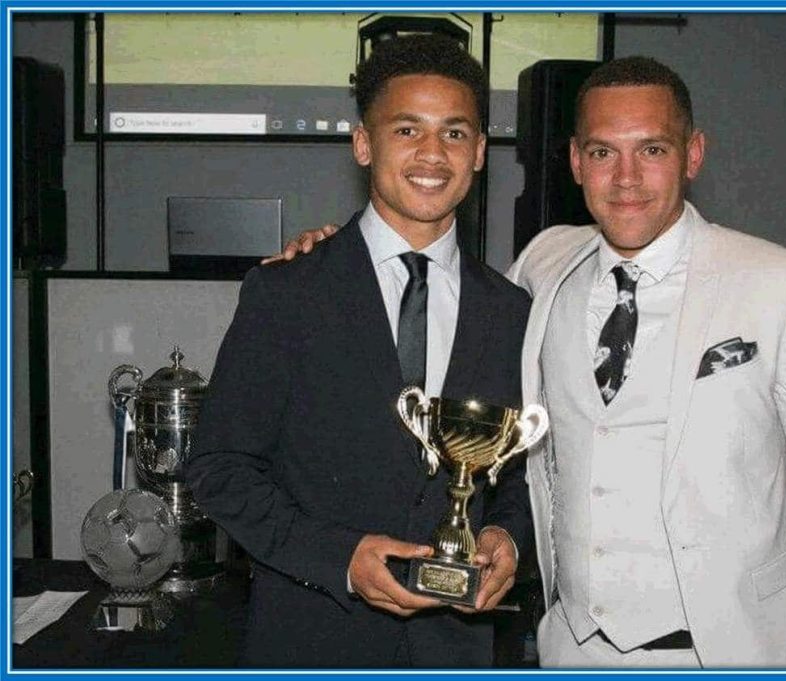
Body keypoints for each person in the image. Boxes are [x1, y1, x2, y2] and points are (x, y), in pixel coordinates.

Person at [275, 56, 786, 668]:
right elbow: (437, 288)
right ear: (575, 162)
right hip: (571, 649)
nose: (626, 178)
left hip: (730, 652)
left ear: (693, 154)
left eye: (651, 150)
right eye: (602, 153)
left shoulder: (781, 282)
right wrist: (337, 256)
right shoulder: (544, 266)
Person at [186, 34, 533, 668]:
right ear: (364, 143)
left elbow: (521, 475)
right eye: (407, 129)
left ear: (481, 151)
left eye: (455, 133)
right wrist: (339, 557)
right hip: (311, 638)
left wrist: (505, 535)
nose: (433, 153)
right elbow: (220, 470)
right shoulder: (287, 291)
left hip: (455, 650)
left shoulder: (512, 312)